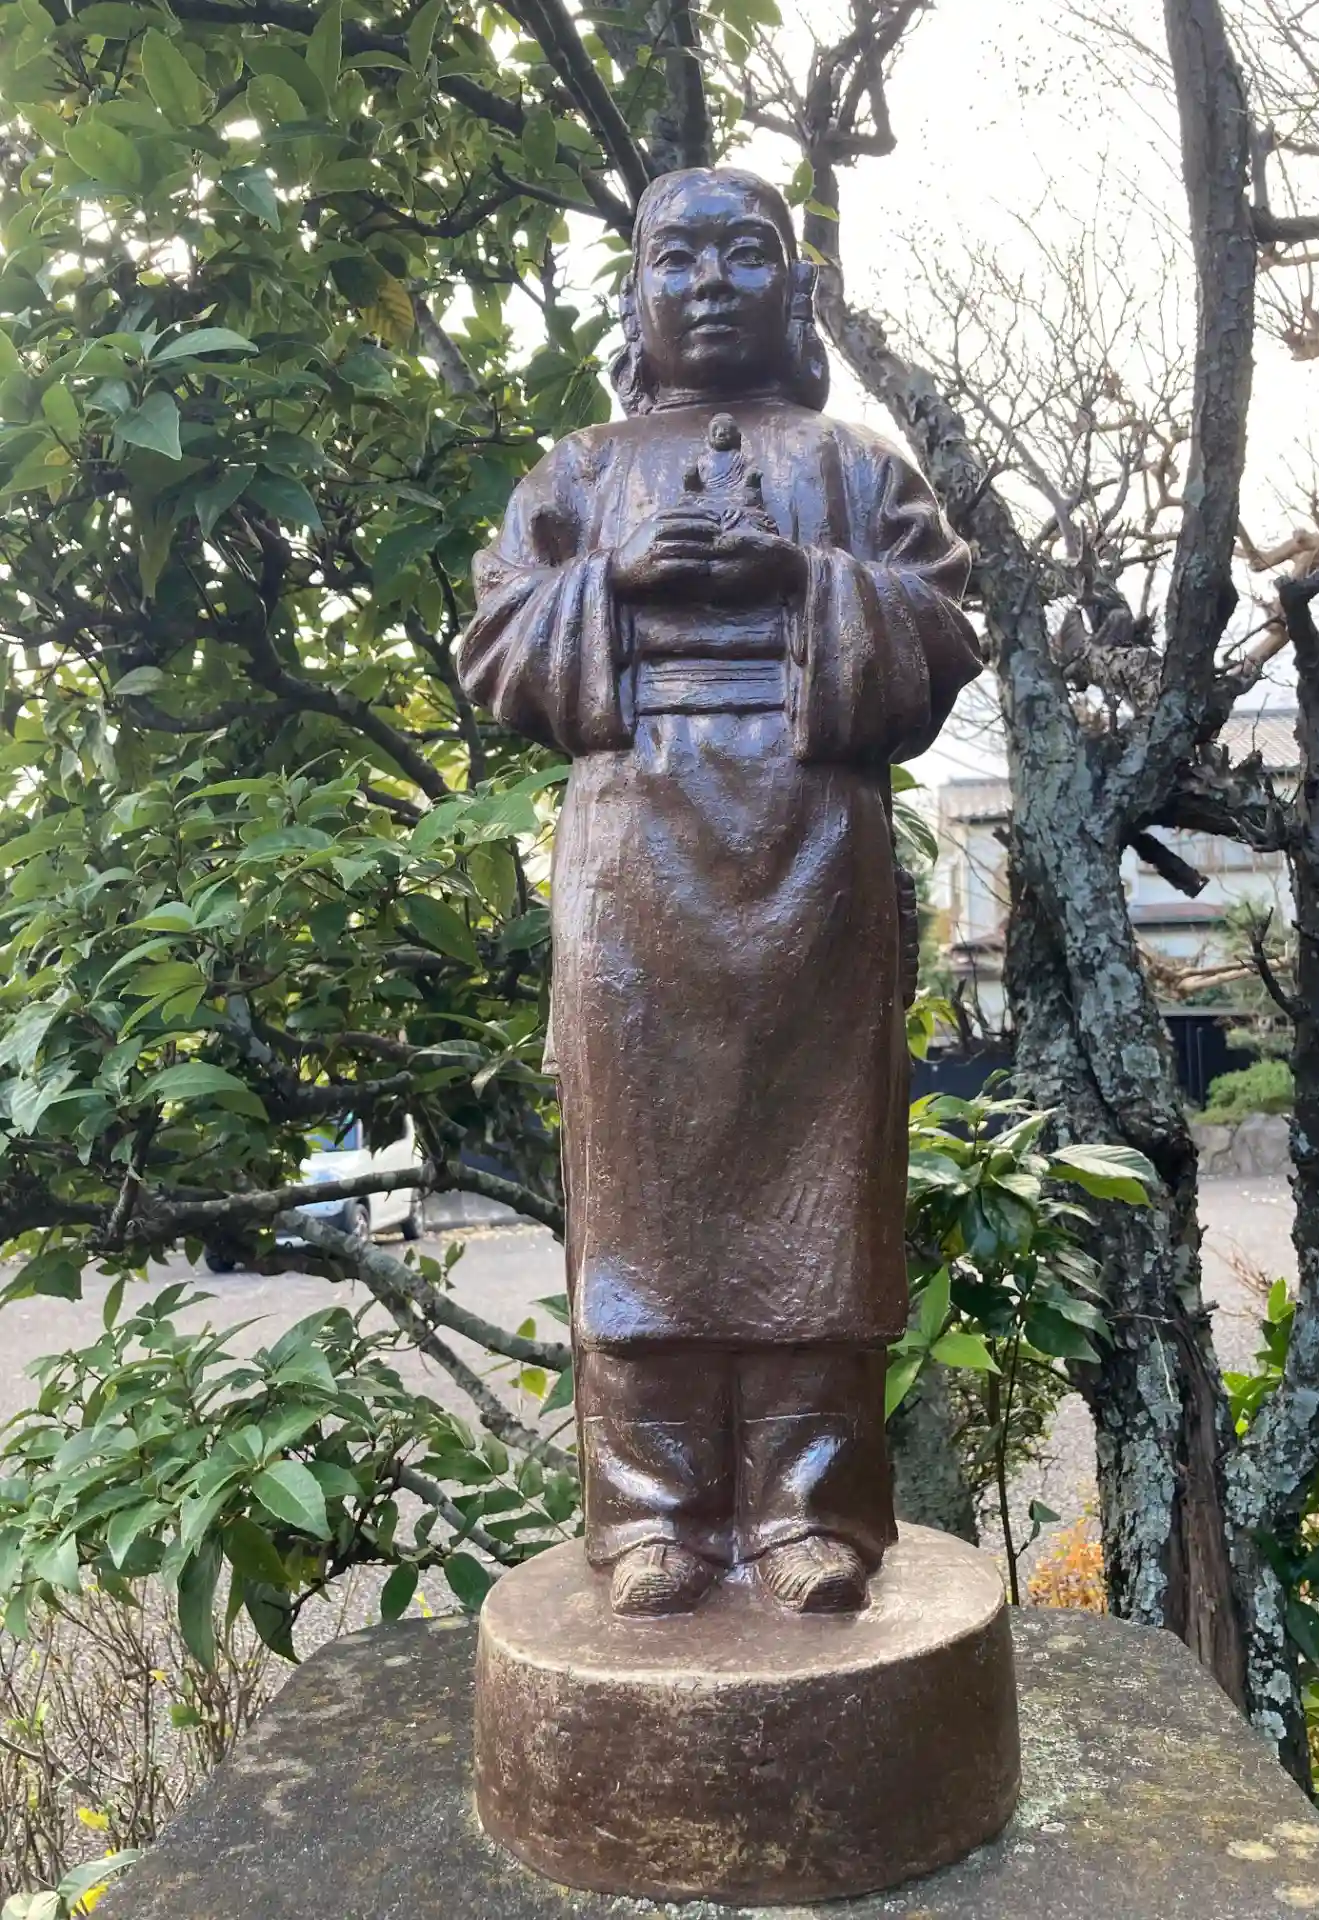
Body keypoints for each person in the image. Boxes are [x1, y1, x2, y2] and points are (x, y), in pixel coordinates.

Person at [458, 166, 980, 1618]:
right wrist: (613, 581)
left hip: (816, 849)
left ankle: (809, 1511)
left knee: (820, 1188)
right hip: (635, 858)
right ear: (635, 292)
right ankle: (654, 1513)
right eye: (675, 259)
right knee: (643, 1195)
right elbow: (494, 647)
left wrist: (806, 577)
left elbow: (945, 629)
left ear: (794, 292)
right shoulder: (578, 472)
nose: (707, 284)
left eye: (745, 255)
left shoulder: (858, 468)